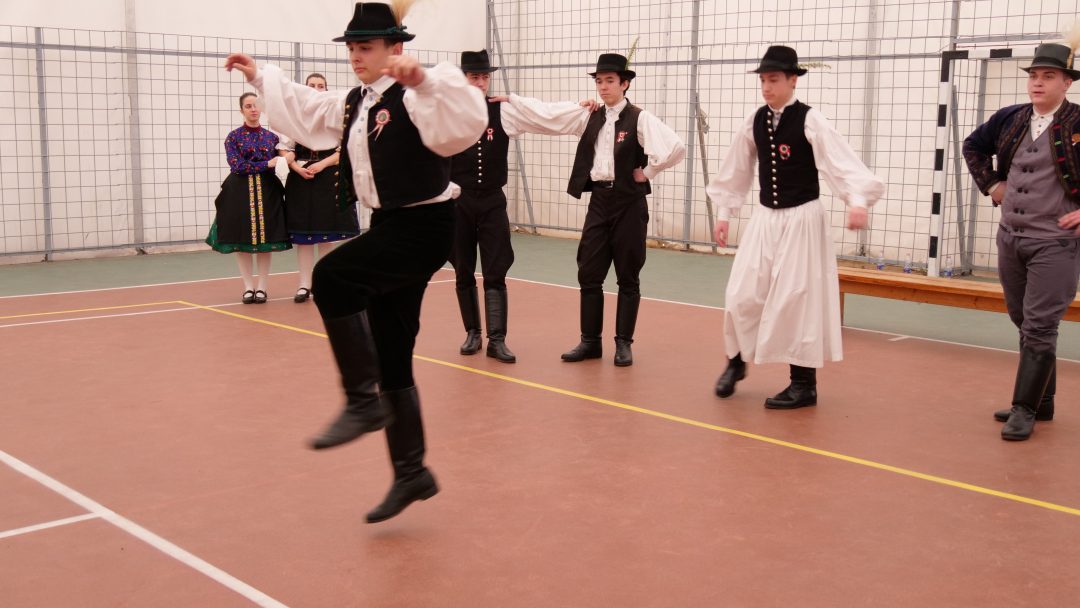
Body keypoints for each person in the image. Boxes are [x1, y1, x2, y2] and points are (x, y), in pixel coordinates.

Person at [225, 0, 486, 522]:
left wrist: (422, 80)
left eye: (365, 47)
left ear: (395, 48)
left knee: (333, 276)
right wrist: (259, 76)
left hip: (425, 227)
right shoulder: (356, 103)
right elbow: (308, 108)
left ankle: (361, 402)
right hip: (390, 226)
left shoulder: (419, 94)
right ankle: (411, 472)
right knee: (392, 351)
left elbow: (464, 120)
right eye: (351, 48)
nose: (355, 56)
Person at [708, 45, 884, 409]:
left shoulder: (810, 120)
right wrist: (724, 213)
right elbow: (736, 169)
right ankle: (736, 362)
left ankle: (803, 384)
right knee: (742, 292)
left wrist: (857, 201)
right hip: (766, 218)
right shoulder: (754, 120)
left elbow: (840, 163)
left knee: (797, 298)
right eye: (763, 80)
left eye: (773, 79)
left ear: (792, 80)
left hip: (803, 218)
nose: (766, 87)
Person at [500, 52, 686, 366]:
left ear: (625, 84)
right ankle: (590, 342)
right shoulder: (589, 114)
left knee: (628, 275)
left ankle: (623, 344)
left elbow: (676, 147)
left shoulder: (640, 118)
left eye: (610, 81)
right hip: (599, 201)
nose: (603, 87)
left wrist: (649, 172)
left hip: (629, 204)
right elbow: (548, 115)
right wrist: (512, 101)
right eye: (599, 81)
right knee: (589, 272)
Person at [962, 39, 1080, 441]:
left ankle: (1023, 408)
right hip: (1010, 238)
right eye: (1033, 76)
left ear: (1066, 82)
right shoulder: (1010, 118)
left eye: (1048, 76)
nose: (1038, 83)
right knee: (1023, 320)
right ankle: (1042, 401)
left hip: (1056, 242)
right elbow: (973, 146)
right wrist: (992, 183)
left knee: (1040, 324)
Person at [278, 74, 361, 304]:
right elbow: (284, 149)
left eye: (320, 86)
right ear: (304, 89)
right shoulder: (294, 117)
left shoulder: (336, 116)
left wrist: (322, 164)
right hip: (301, 180)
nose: (316, 89)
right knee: (304, 237)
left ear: (326, 89)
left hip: (328, 178)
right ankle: (304, 284)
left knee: (327, 234)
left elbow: (345, 149)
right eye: (311, 86)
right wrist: (296, 167)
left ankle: (325, 283)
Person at [205, 92, 290, 304]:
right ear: (241, 110)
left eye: (256, 105)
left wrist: (283, 160)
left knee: (265, 241)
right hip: (239, 193)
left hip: (268, 193)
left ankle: (262, 287)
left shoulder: (272, 138)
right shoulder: (233, 137)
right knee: (241, 239)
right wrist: (266, 164)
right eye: (248, 106)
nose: (253, 109)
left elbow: (285, 158)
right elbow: (237, 166)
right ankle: (248, 287)